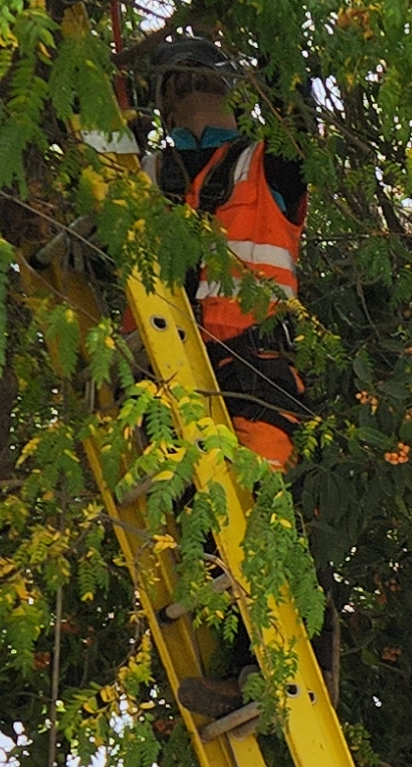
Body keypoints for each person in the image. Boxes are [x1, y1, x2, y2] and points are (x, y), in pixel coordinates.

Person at [125, 23, 308, 470]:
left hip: (255, 374)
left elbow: (297, 118)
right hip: (159, 369)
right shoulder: (137, 173)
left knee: (254, 518)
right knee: (177, 524)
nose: (191, 85)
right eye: (181, 79)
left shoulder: (268, 163)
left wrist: (266, 4)